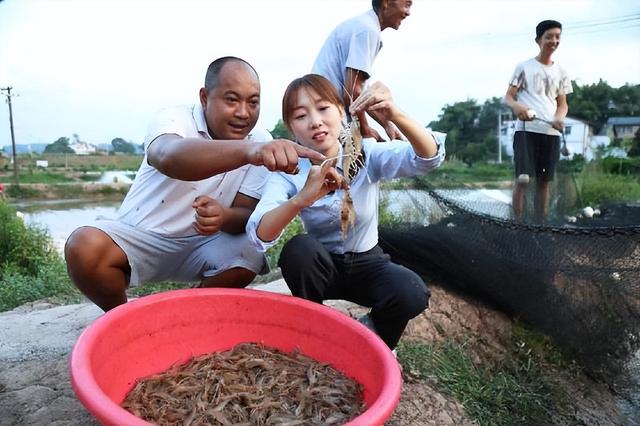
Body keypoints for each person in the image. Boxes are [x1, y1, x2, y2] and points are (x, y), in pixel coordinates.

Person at [64, 56, 324, 312]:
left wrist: (224, 216)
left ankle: (183, 316)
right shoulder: (175, 119)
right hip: (142, 238)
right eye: (231, 100)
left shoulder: (260, 139)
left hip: (201, 246)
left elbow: (245, 215)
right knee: (84, 246)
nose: (243, 113)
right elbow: (168, 156)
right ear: (204, 97)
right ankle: (121, 317)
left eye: (253, 102)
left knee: (249, 255)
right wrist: (249, 152)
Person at [246, 74, 445, 349]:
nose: (315, 121)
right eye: (301, 115)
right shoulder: (290, 173)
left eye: (323, 108)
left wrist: (394, 113)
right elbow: (259, 233)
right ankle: (311, 334)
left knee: (410, 291)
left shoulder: (368, 154)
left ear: (341, 111)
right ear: (291, 127)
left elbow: (426, 158)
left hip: (368, 263)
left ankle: (372, 341)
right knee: (299, 249)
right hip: (321, 267)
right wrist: (301, 200)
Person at [311, 0, 413, 142]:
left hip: (322, 112)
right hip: (328, 115)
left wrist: (387, 125)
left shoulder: (364, 26)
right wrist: (364, 130)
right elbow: (352, 92)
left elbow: (363, 94)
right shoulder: (367, 30)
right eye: (407, 4)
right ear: (386, 2)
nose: (408, 13)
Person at [505, 20, 572, 223]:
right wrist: (518, 107)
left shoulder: (561, 72)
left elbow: (563, 104)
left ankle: (539, 227)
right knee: (523, 180)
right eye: (549, 36)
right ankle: (517, 226)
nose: (554, 40)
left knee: (544, 182)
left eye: (557, 36)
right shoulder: (524, 67)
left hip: (550, 133)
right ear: (538, 40)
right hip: (526, 130)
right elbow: (508, 97)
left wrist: (559, 119)